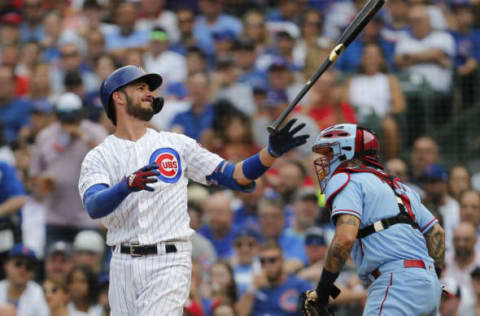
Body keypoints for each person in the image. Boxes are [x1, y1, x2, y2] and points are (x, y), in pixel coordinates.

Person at [78, 65, 309, 315]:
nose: (149, 93)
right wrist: (125, 186)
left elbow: (235, 175)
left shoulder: (176, 144)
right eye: (140, 88)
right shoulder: (99, 156)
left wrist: (269, 153)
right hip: (122, 262)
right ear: (118, 97)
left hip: (169, 260)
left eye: (150, 89)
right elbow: (93, 205)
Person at [301, 123, 445, 315]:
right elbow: (437, 233)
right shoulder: (402, 188)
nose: (324, 160)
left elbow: (344, 239)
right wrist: (430, 276)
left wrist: (323, 291)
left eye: (329, 152)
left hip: (395, 284)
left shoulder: (347, 178)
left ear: (347, 151)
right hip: (429, 285)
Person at [236, 239, 311, 316]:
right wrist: (253, 288)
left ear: (282, 260)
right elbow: (240, 314)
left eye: (272, 260)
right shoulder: (254, 288)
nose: (267, 264)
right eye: (262, 261)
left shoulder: (300, 286)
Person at [0, 244, 48, 316]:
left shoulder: (40, 294)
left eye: (29, 266)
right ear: (6, 266)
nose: (23, 270)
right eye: (18, 264)